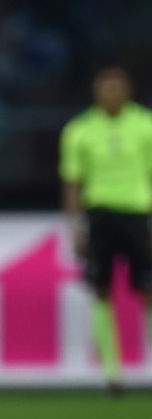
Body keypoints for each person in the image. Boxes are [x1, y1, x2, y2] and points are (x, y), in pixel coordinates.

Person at [59, 66, 152, 392]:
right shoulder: (80, 130)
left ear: (128, 90)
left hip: (138, 214)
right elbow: (73, 182)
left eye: (117, 86)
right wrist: (74, 227)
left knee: (147, 291)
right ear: (96, 90)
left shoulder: (146, 125)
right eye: (106, 86)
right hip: (99, 216)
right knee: (101, 291)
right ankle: (113, 374)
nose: (112, 91)